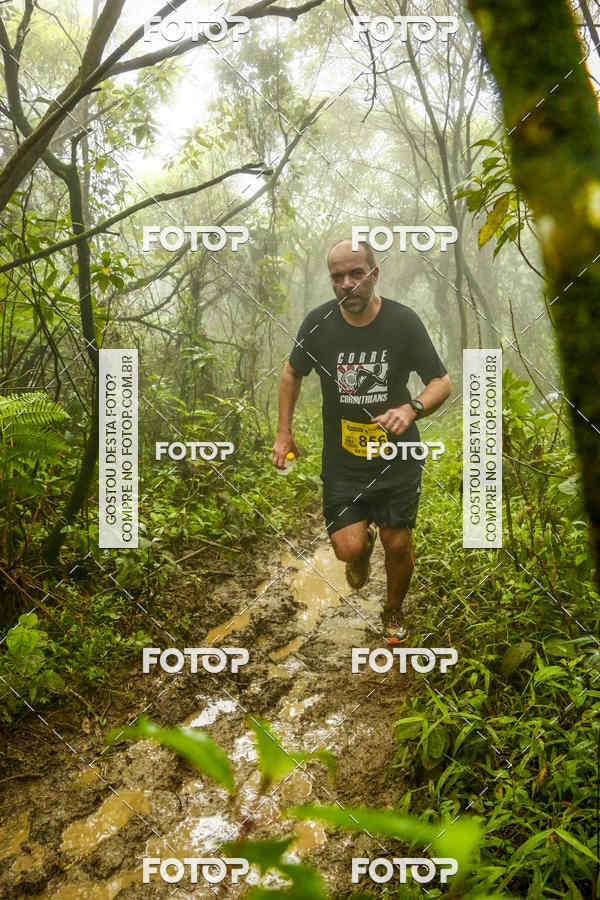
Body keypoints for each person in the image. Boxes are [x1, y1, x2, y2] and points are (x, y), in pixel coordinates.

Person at [272, 238, 452, 643]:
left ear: (374, 274)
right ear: (331, 281)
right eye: (338, 277)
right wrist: (284, 431)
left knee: (399, 540)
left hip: (397, 455)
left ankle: (392, 610)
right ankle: (362, 546)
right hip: (344, 460)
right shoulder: (318, 324)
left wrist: (412, 409)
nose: (347, 284)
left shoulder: (402, 322)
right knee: (348, 549)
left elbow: (441, 382)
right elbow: (291, 374)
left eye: (356, 274)